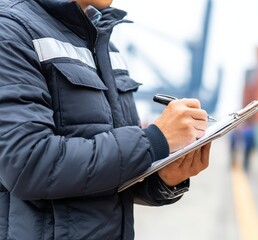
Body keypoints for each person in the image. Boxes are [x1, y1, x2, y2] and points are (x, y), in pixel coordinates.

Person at [0, 0, 211, 239]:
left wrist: (163, 179)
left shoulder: (107, 48)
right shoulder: (10, 29)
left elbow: (113, 175)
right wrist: (153, 140)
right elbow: (28, 163)